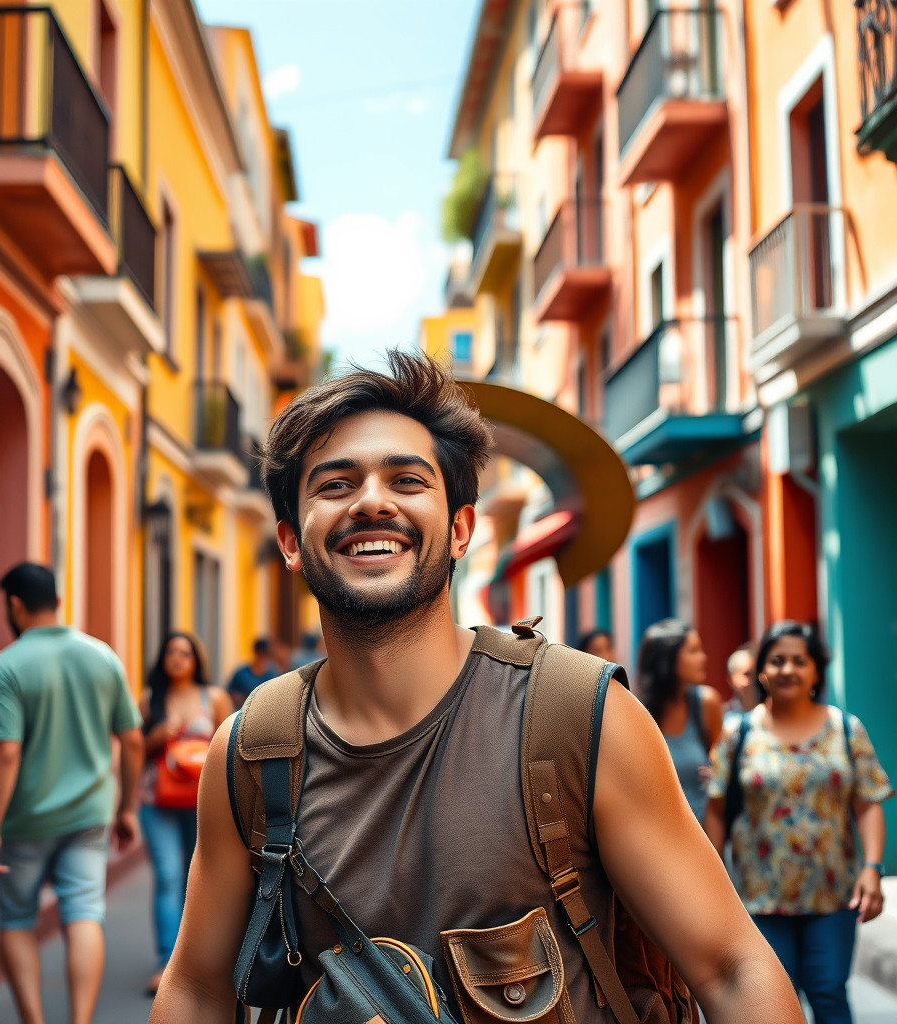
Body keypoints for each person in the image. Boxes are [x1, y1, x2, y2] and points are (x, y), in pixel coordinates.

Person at [150, 351, 803, 1024]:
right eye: (336, 484)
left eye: (407, 480)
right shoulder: (252, 751)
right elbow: (195, 987)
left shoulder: (581, 717)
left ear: (460, 529)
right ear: (290, 542)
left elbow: (732, 970)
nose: (371, 501)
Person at [0, 562, 145, 1024]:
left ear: (15, 606)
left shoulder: (5, 667)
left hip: (25, 820)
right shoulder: (102, 656)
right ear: (57, 601)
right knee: (84, 913)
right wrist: (127, 807)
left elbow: (5, 753)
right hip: (90, 814)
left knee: (16, 919)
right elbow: (132, 740)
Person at [705, 620, 892, 1024]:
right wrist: (714, 883)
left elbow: (867, 803)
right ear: (761, 671)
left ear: (816, 671)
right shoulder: (738, 732)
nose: (787, 669)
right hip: (759, 896)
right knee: (774, 1003)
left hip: (833, 894)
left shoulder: (846, 729)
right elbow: (716, 811)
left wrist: (873, 868)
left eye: (798, 661)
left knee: (828, 992)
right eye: (777, 660)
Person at [139, 632, 233, 995]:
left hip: (204, 801)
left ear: (196, 659)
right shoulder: (150, 699)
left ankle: (199, 958)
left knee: (201, 876)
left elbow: (230, 746)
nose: (177, 658)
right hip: (157, 800)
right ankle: (167, 963)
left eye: (185, 652)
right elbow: (135, 749)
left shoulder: (215, 698)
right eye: (171, 652)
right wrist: (158, 736)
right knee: (168, 876)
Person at [634, 618, 723, 823]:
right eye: (693, 651)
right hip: (656, 833)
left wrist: (717, 775)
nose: (703, 657)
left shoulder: (706, 703)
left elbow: (721, 768)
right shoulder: (638, 712)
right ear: (667, 659)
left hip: (703, 832)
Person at [225, 638, 277, 710]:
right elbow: (229, 695)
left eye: (266, 654)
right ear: (256, 653)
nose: (263, 657)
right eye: (261, 654)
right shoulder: (241, 674)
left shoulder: (272, 674)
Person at [724, 642, 759, 716]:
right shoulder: (723, 715)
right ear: (731, 680)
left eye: (756, 674)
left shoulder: (770, 712)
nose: (754, 679)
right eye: (747, 674)